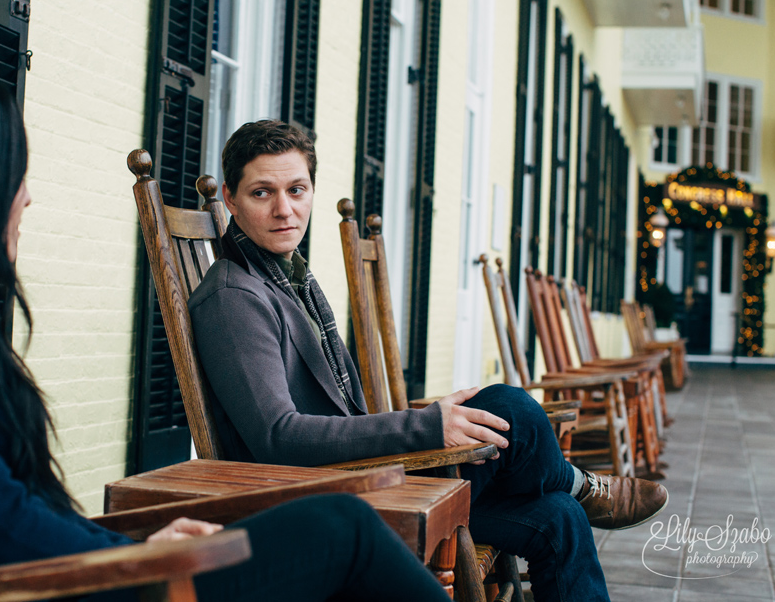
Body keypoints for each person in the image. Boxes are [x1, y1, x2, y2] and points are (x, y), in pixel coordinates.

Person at [0, 63, 456, 601]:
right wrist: (139, 553)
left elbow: (3, 510)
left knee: (337, 539)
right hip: (20, 588)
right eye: (11, 172)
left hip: (50, 577)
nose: (26, 198)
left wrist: (142, 544)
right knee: (340, 529)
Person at [188, 119, 671, 602]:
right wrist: (426, 428)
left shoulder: (288, 280)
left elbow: (340, 416)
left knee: (558, 517)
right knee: (512, 409)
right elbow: (278, 438)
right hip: (325, 497)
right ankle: (582, 485)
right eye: (262, 193)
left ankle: (574, 492)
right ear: (230, 198)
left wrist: (427, 419)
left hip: (365, 473)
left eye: (297, 189)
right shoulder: (235, 297)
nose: (284, 209)